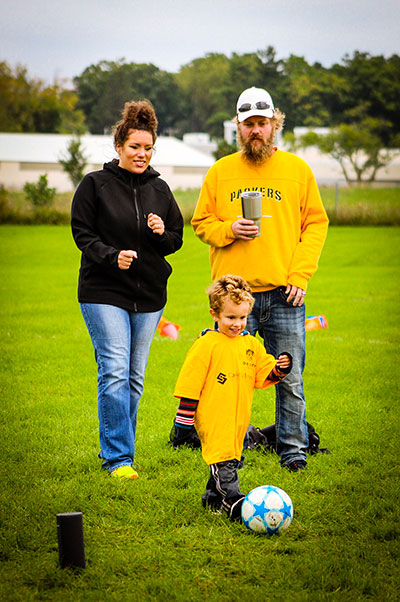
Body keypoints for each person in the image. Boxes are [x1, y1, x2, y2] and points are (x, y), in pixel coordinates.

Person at [191, 86, 329, 472]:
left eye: (262, 123)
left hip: (285, 294)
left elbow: (316, 224)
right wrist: (229, 229)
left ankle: (293, 452)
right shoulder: (221, 171)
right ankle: (229, 453)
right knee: (229, 379)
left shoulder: (297, 170)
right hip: (235, 298)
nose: (256, 130)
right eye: (248, 123)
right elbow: (201, 222)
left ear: (275, 124)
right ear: (238, 126)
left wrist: (300, 274)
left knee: (290, 377)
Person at [71, 99, 184, 479]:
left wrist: (160, 233)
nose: (142, 154)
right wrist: (111, 256)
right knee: (115, 370)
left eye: (148, 147)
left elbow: (175, 238)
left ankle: (121, 449)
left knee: (134, 378)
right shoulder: (95, 185)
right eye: (135, 146)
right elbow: (82, 233)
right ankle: (118, 458)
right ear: (119, 146)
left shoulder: (160, 189)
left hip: (149, 295)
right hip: (104, 290)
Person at [172, 275, 292, 520]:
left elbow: (263, 374)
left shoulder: (250, 344)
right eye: (231, 318)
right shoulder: (207, 344)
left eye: (242, 317)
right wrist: (183, 425)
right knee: (224, 461)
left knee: (232, 458)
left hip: (239, 419)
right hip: (215, 419)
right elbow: (190, 385)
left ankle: (212, 499)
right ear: (214, 315)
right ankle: (234, 503)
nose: (237, 324)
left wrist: (280, 367)